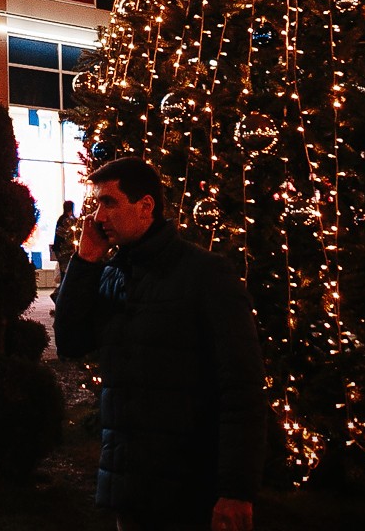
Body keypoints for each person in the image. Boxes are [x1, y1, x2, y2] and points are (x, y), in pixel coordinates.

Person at [53, 156, 265, 531]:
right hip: (130, 486)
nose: (98, 217)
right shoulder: (114, 274)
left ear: (146, 206)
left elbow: (241, 388)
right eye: (96, 203)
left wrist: (236, 489)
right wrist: (85, 263)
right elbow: (70, 341)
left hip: (189, 488)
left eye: (109, 202)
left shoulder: (204, 274)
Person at [51, 199, 80, 287]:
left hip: (59, 249)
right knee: (67, 271)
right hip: (66, 250)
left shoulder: (61, 219)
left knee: (63, 270)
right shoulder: (68, 221)